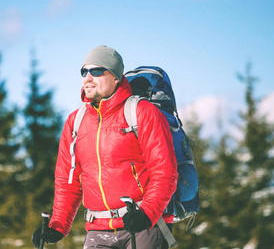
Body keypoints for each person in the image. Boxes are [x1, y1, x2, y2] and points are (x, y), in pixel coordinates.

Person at [32, 45, 177, 249]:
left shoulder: (143, 112)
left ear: (116, 77)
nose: (88, 77)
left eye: (97, 71)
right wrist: (58, 226)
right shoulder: (76, 122)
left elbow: (165, 172)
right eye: (84, 71)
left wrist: (147, 213)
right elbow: (68, 181)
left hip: (143, 225)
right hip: (98, 229)